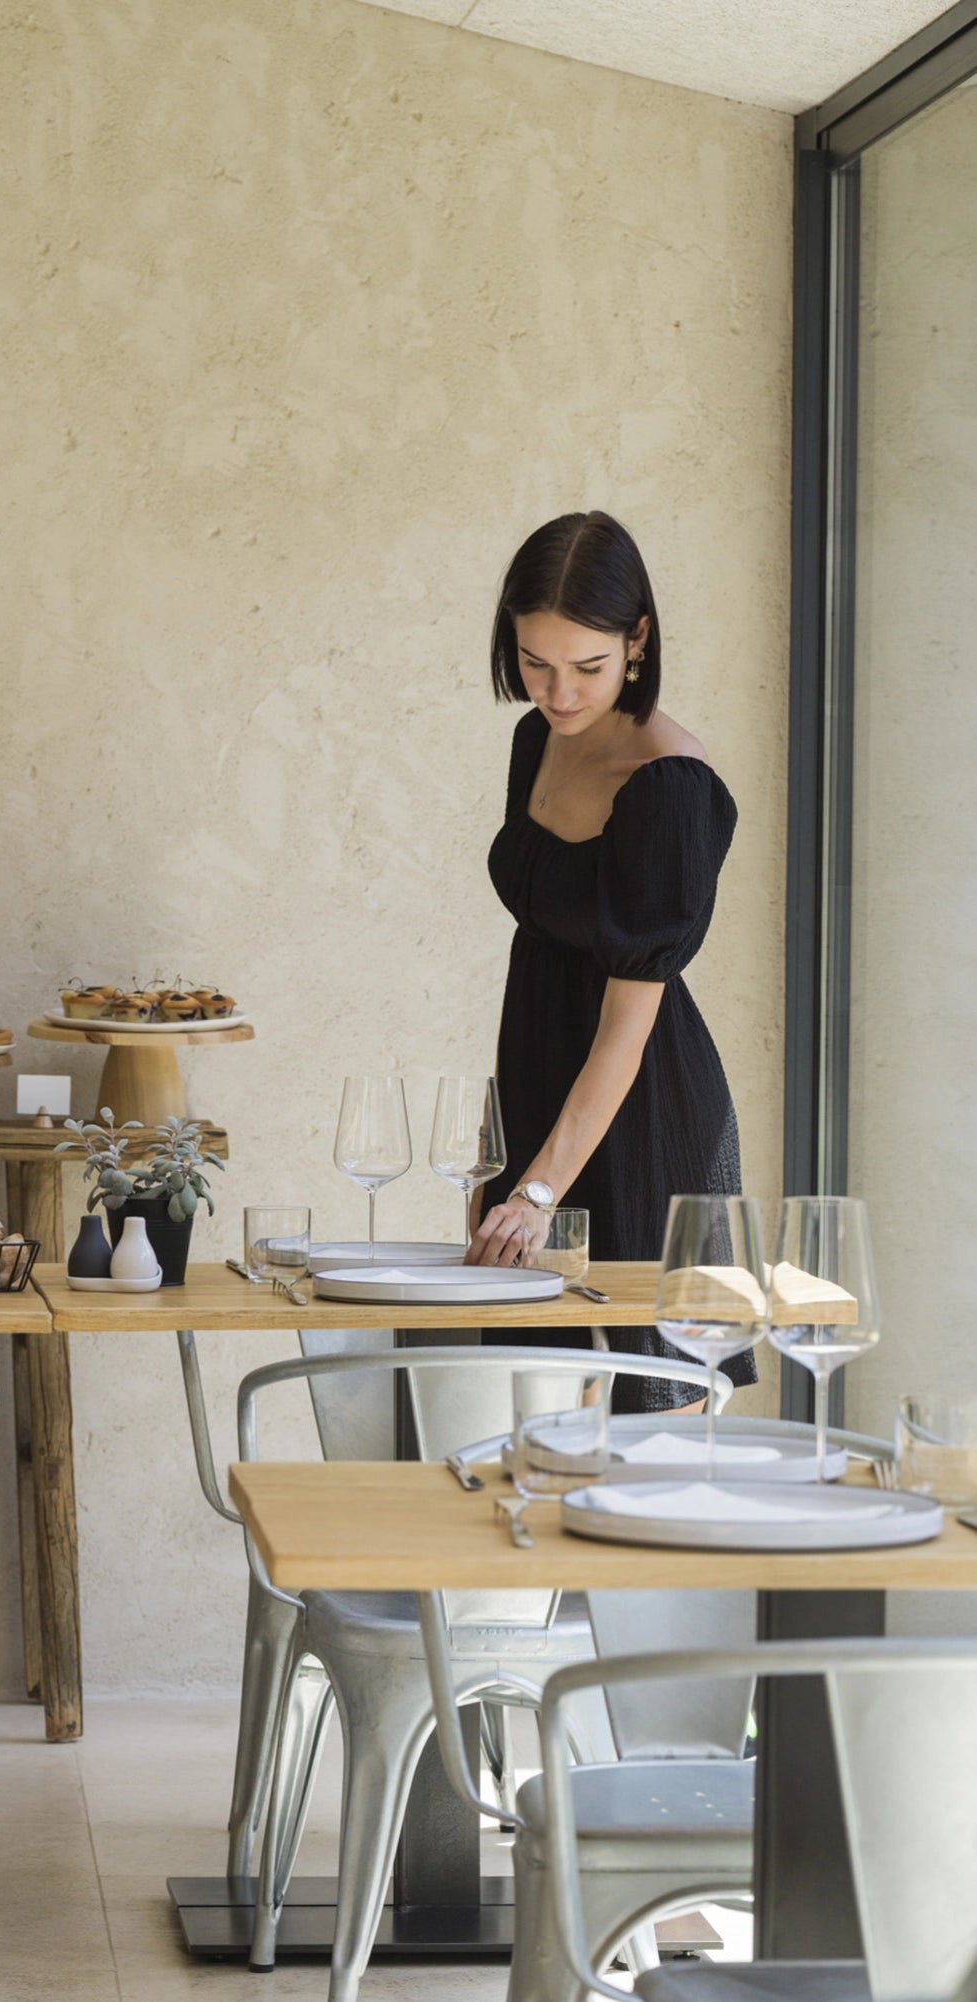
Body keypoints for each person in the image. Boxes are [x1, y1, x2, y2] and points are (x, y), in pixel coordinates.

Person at [467, 510, 754, 1413]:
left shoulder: (669, 785)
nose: (558, 693)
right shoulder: (537, 738)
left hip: (633, 1110)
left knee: (648, 1419)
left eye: (586, 667)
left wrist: (541, 1182)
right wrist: (502, 1159)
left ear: (638, 640)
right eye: (534, 662)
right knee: (527, 1419)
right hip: (541, 1084)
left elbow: (628, 1028)